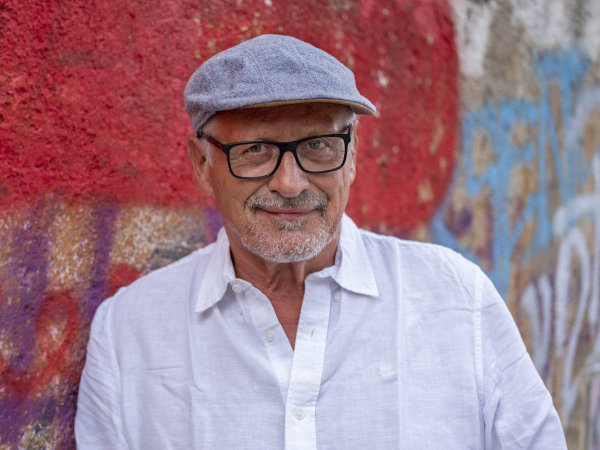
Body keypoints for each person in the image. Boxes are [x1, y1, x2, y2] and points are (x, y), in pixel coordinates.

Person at [75, 34, 566, 449]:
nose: (290, 184)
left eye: (318, 146)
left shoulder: (455, 299)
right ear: (203, 163)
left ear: (351, 157)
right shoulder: (129, 334)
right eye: (255, 150)